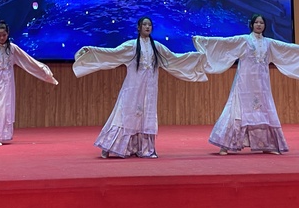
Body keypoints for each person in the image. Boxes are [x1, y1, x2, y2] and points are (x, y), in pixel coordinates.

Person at [73, 16, 207, 159]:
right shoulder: (131, 46)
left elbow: (174, 58)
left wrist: (197, 58)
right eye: (144, 25)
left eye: (149, 25)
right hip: (133, 87)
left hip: (150, 89)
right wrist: (91, 50)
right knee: (125, 114)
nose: (147, 27)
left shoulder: (157, 47)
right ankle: (108, 146)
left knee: (146, 115)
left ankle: (145, 149)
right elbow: (113, 54)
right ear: (138, 28)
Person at [193, 13, 299, 155]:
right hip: (244, 83)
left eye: (262, 23)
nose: (259, 25)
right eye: (257, 22)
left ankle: (267, 145)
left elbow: (288, 49)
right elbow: (225, 43)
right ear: (251, 24)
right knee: (236, 110)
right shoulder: (244, 40)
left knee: (263, 110)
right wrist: (202, 41)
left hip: (262, 84)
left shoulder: (269, 43)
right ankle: (225, 145)